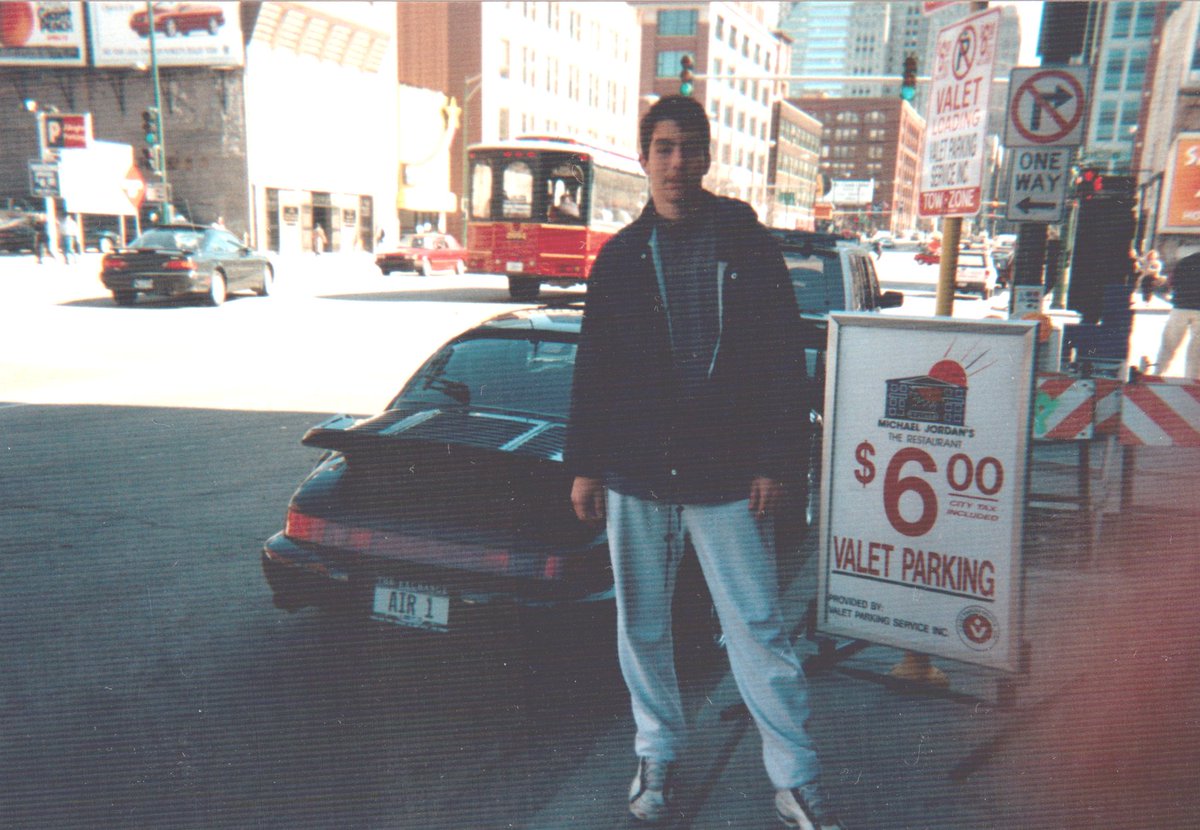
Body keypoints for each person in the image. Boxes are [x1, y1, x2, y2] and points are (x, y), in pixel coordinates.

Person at [565, 95, 843, 830]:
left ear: (710, 155)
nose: (677, 162)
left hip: (724, 473)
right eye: (663, 148)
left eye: (689, 147)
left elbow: (784, 361)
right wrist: (585, 465)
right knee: (643, 625)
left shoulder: (747, 246)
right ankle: (657, 751)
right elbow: (594, 368)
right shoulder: (620, 258)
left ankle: (795, 776)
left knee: (756, 625)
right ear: (644, 157)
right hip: (636, 470)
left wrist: (776, 461)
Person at [1153, 250, 1200, 379]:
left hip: (1180, 307)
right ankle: (1192, 381)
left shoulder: (1185, 261)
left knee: (1169, 345)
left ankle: (1157, 376)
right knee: (1196, 351)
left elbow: (1170, 282)